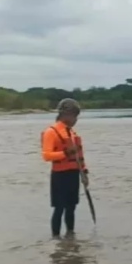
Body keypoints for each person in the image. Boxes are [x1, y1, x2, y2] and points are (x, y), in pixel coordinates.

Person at [41, 98, 89, 237]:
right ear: (65, 114)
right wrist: (65, 153)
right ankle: (55, 237)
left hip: (73, 174)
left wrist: (84, 173)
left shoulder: (72, 133)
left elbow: (79, 157)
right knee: (59, 208)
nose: (76, 119)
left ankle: (70, 236)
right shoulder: (51, 132)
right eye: (74, 115)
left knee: (71, 207)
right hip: (60, 176)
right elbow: (46, 155)